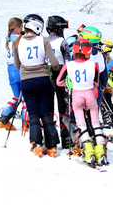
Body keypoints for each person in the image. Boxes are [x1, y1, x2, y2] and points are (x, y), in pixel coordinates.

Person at [13, 14, 60, 158]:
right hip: (43, 80)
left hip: (27, 82)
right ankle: (51, 147)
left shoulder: (17, 42)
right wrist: (54, 70)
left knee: (33, 113)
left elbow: (16, 65)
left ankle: (36, 145)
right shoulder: (43, 40)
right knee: (45, 112)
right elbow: (55, 63)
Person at [56, 38, 107, 166]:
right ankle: (100, 152)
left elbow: (59, 82)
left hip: (77, 96)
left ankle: (88, 152)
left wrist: (70, 83)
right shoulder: (93, 65)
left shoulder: (69, 65)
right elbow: (96, 82)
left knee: (81, 124)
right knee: (95, 122)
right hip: (90, 95)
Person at [0, 17, 28, 131]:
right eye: (21, 27)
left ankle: (3, 120)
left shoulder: (4, 40)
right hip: (20, 68)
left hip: (10, 69)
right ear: (17, 27)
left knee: (17, 97)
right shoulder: (20, 39)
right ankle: (26, 124)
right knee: (26, 98)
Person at [46, 15, 71, 149]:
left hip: (47, 72)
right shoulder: (63, 41)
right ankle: (65, 137)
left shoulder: (43, 41)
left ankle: (50, 137)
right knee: (63, 106)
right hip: (61, 72)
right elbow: (68, 59)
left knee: (49, 107)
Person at [77, 25, 108, 108]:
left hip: (79, 88)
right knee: (94, 112)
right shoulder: (101, 56)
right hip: (95, 89)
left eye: (80, 37)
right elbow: (104, 76)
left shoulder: (78, 55)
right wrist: (102, 87)